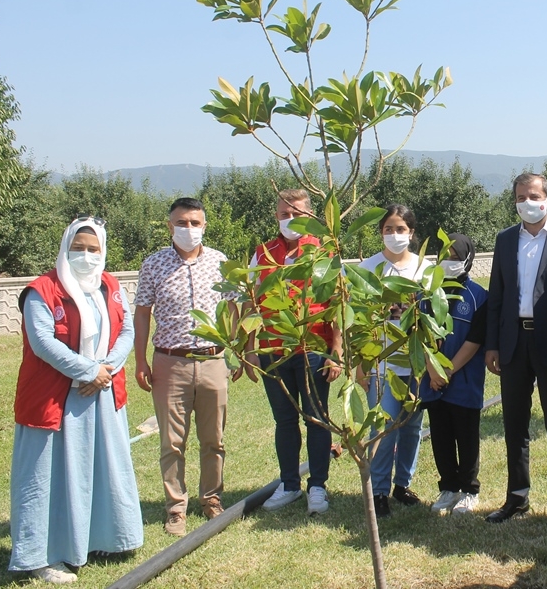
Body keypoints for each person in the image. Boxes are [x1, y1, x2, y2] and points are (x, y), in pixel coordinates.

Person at [9, 217, 143, 584]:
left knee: (102, 467)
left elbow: (126, 329)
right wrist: (88, 371)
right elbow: (42, 341)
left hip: (101, 392)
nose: (86, 255)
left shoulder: (109, 285)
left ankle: (102, 539)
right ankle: (41, 556)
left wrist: (106, 369)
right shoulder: (42, 290)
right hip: (55, 398)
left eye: (93, 249)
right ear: (65, 248)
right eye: (78, 248)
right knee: (46, 476)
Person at [485, 172, 547, 533]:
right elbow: (497, 295)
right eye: (520, 197)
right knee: (515, 425)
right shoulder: (505, 239)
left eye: (533, 196)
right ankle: (517, 497)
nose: (526, 203)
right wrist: (492, 344)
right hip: (513, 343)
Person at [134, 197, 238, 536]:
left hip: (212, 360)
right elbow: (142, 314)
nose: (188, 229)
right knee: (172, 442)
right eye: (181, 223)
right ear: (170, 226)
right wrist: (140, 360)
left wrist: (236, 350)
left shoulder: (220, 262)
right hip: (170, 362)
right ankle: (176, 508)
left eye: (195, 223)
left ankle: (211, 498)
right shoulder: (154, 265)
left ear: (204, 226)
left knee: (214, 438)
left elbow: (233, 309)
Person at [244, 189, 342, 515]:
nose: (290, 219)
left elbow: (337, 303)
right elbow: (252, 303)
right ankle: (289, 485)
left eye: (296, 214)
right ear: (276, 217)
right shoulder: (262, 254)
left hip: (313, 348)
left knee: (316, 419)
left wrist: (336, 350)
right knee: (284, 420)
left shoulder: (324, 251)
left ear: (310, 216)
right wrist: (250, 349)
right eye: (284, 214)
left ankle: (318, 486)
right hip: (273, 350)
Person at [359, 204, 432, 518]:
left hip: (415, 363)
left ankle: (403, 484)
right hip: (381, 365)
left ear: (411, 233)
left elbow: (433, 317)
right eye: (388, 229)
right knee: (383, 429)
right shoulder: (368, 268)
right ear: (381, 233)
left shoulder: (424, 269)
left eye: (400, 229)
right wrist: (361, 366)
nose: (394, 234)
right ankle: (378, 491)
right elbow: (357, 321)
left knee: (412, 427)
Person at [419, 234, 489, 515]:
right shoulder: (428, 294)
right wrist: (432, 369)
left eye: (456, 258)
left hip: (464, 381)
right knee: (440, 435)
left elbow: (475, 341)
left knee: (466, 436)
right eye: (445, 257)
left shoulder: (478, 296)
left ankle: (470, 490)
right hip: (433, 381)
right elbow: (421, 334)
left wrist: (446, 371)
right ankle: (448, 487)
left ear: (468, 260)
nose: (450, 262)